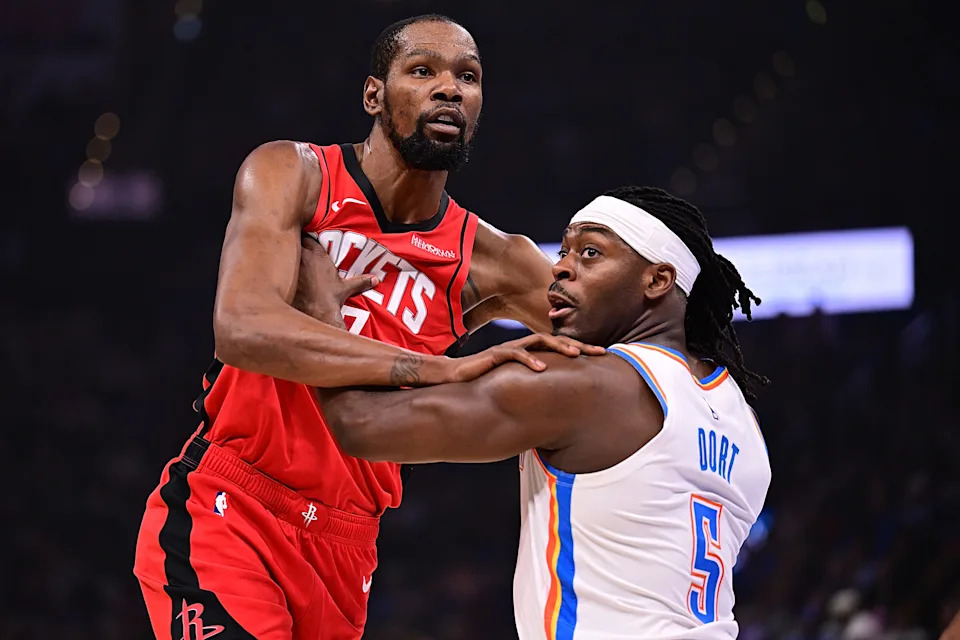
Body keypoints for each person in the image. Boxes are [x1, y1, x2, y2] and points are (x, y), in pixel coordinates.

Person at [133, 13, 604, 640]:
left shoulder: (493, 257)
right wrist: (439, 368)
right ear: (373, 95)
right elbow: (242, 327)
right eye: (423, 70)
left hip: (347, 543)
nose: (450, 88)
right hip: (232, 506)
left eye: (468, 76)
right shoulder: (293, 174)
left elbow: (623, 353)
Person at [305, 186, 773, 639]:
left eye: (590, 253)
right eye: (563, 253)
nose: (561, 270)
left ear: (657, 280)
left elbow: (359, 424)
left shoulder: (585, 383)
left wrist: (322, 313)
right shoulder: (743, 422)